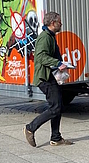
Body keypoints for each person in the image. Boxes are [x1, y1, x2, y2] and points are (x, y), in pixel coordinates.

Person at [23, 11, 73, 147]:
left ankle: (56, 138)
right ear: (52, 23)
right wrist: (58, 63)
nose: (61, 24)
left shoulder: (50, 36)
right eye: (59, 22)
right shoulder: (45, 37)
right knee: (55, 107)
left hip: (50, 76)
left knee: (58, 105)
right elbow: (40, 57)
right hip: (44, 78)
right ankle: (30, 128)